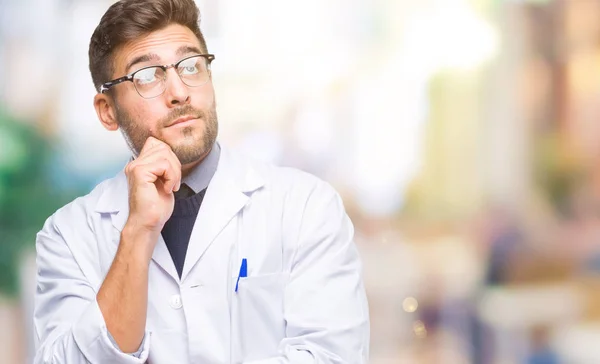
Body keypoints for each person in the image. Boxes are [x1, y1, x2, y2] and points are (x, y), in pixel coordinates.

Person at [33, 0, 370, 363]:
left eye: (190, 66)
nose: (179, 91)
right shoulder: (68, 236)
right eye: (147, 75)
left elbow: (332, 356)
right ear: (108, 111)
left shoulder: (305, 206)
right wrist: (137, 233)